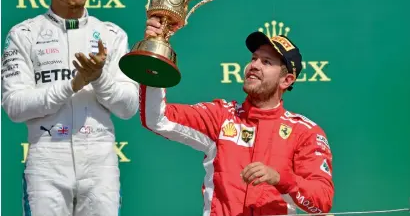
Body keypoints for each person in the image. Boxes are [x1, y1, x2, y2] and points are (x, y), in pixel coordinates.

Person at [139, 17, 334, 216]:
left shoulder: (305, 133)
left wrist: (280, 179)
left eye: (266, 62)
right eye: (253, 58)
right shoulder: (221, 116)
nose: (254, 65)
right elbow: (157, 118)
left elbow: (322, 202)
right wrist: (153, 54)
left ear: (286, 80)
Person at [1, 0, 139, 216]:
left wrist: (98, 79)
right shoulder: (23, 34)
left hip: (100, 163)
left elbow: (128, 108)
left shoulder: (112, 34)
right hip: (47, 162)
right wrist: (72, 85)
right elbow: (15, 106)